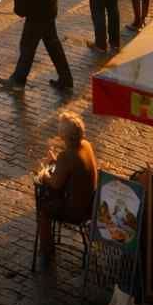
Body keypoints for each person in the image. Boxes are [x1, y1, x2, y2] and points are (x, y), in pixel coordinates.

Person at [34, 112, 98, 267]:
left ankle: (46, 251)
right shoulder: (86, 145)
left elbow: (55, 183)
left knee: (43, 209)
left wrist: (43, 174)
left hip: (76, 210)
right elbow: (71, 169)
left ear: (64, 136)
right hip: (90, 203)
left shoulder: (66, 155)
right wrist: (56, 161)